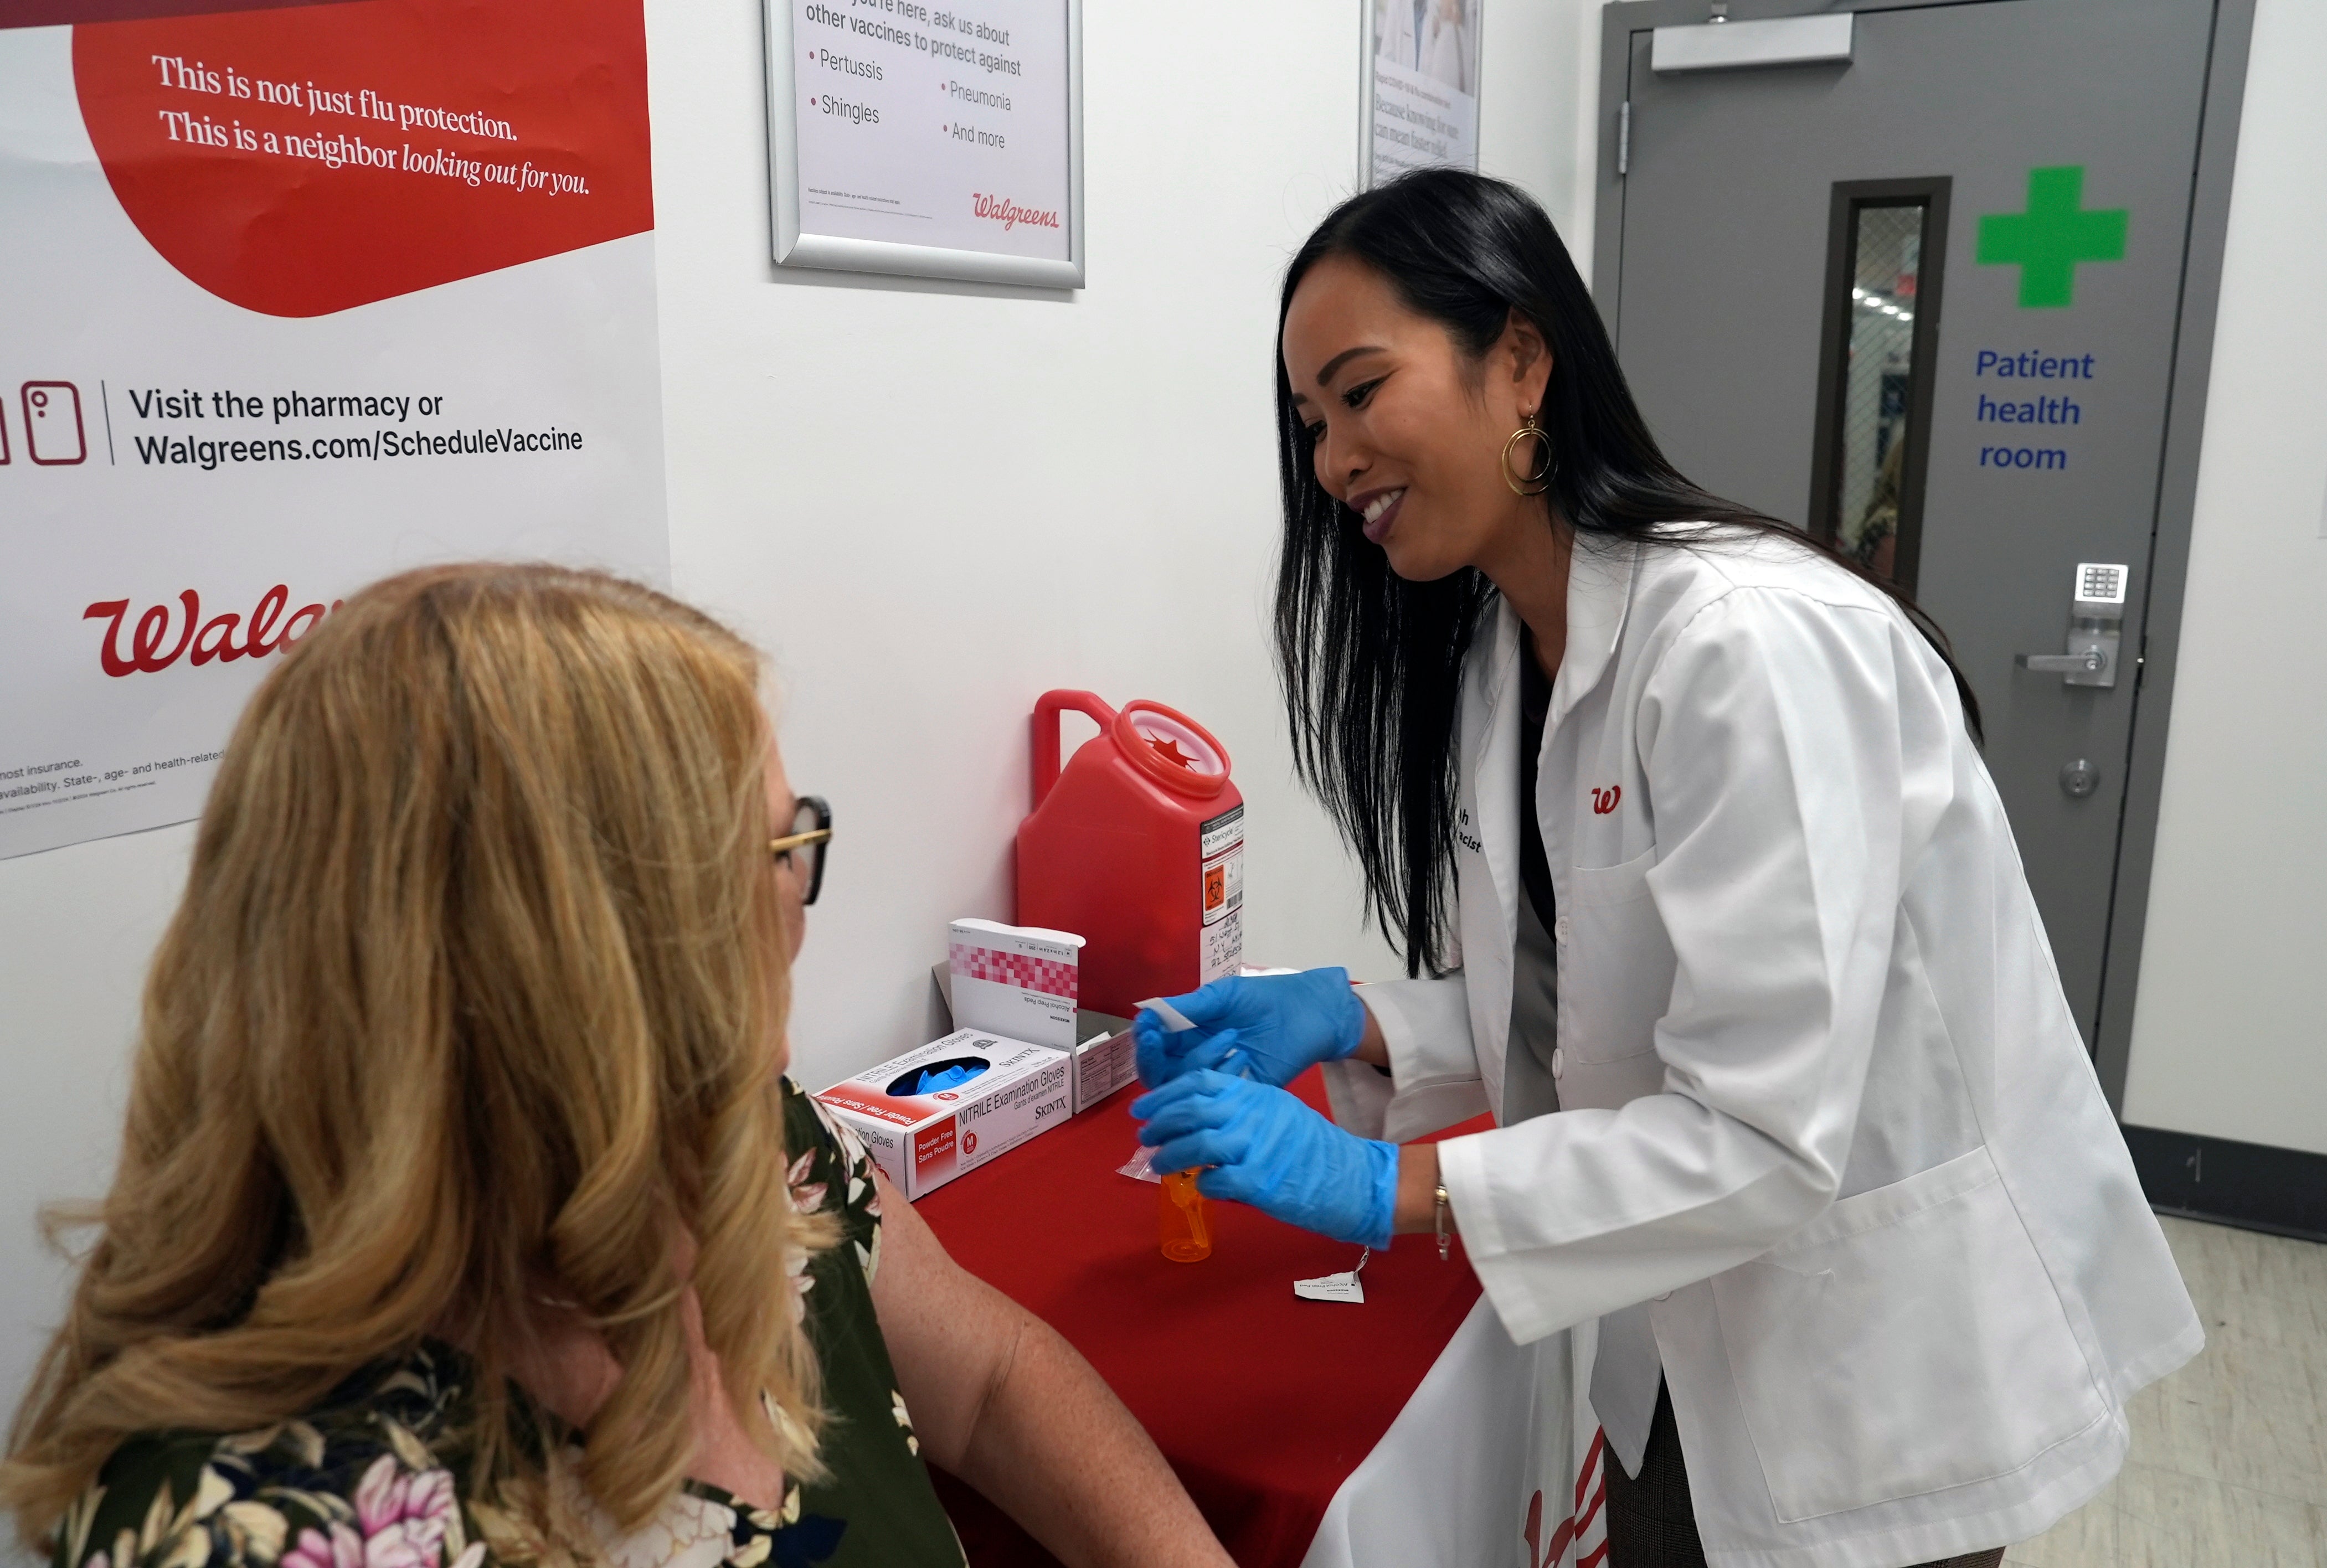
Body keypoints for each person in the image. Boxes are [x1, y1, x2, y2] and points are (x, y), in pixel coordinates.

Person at [1130, 170, 2201, 1568]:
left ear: (1520, 360)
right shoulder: (1504, 651)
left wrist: (1391, 1192)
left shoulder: (1742, 647)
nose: (1332, 460)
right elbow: (1587, 1012)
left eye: (1359, 390)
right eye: (1309, 422)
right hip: (1669, 1349)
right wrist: (1353, 1016)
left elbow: (1757, 1131)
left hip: (1865, 1375)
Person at [3, 564, 1233, 1568]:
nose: (796, 905)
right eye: (769, 853)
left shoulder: (753, 1144)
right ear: (569, 962)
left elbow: (993, 1381)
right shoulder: (251, 1530)